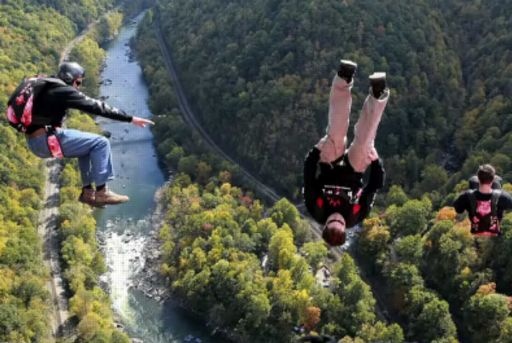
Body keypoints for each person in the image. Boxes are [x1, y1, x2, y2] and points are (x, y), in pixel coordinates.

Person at [21, 62, 154, 207]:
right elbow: (97, 107)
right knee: (101, 142)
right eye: (78, 82)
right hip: (45, 141)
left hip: (37, 140)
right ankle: (102, 192)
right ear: (70, 78)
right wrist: (130, 119)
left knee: (87, 146)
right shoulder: (62, 91)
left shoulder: (48, 85)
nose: (78, 86)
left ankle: (87, 193)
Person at [303, 59, 389, 246]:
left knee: (335, 132)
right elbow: (374, 186)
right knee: (366, 142)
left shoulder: (315, 208)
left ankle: (343, 77)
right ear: (345, 226)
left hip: (329, 165)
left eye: (333, 221)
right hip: (354, 172)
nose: (337, 217)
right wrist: (375, 162)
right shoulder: (355, 215)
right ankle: (377, 93)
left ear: (325, 223)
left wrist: (316, 151)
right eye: (341, 222)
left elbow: (308, 176)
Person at [454, 164, 512, 236]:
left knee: (472, 181)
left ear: (478, 179)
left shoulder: (466, 196)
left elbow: (458, 210)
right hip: (493, 231)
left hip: (476, 230)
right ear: (492, 180)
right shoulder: (503, 197)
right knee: (498, 187)